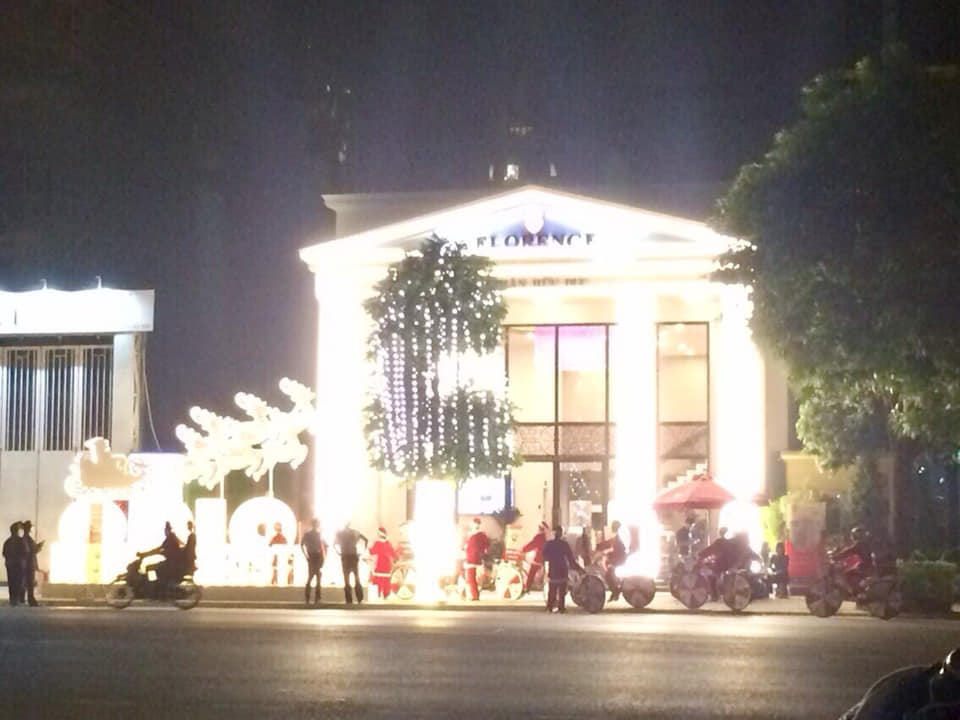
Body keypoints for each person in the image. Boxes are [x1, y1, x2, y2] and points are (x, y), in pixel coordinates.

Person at [542, 526, 583, 613]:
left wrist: (550, 559)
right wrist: (579, 569)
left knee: (552, 589)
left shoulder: (549, 544)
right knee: (562, 590)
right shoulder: (564, 544)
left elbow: (544, 556)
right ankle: (561, 608)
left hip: (553, 568)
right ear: (561, 534)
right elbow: (571, 559)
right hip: (562, 569)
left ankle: (550, 607)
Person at [139, 521, 182, 592]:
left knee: (150, 567)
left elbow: (159, 549)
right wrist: (145, 554)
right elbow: (160, 549)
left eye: (165, 530)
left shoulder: (170, 538)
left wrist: (144, 554)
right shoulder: (172, 537)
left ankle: (154, 588)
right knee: (155, 567)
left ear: (167, 530)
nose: (165, 532)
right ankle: (157, 586)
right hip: (172, 562)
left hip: (171, 563)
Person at [833, 526, 873, 594]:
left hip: (865, 566)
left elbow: (849, 551)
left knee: (847, 573)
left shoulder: (859, 544)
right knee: (854, 569)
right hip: (870, 565)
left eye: (853, 535)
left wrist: (836, 556)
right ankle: (860, 589)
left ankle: (856, 592)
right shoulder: (867, 543)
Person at [335, 521, 368, 604]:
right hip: (353, 556)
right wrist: (363, 551)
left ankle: (349, 599)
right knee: (356, 576)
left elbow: (334, 544)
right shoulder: (355, 532)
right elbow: (366, 539)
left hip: (345, 556)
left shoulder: (340, 533)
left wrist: (339, 553)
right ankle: (359, 598)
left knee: (346, 578)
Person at [596, 520, 627, 601]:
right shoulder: (618, 536)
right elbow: (613, 546)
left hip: (619, 559)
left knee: (608, 575)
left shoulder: (619, 537)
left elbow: (618, 549)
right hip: (618, 558)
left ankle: (615, 591)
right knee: (609, 572)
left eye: (613, 526)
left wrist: (607, 552)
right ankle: (616, 589)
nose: (612, 528)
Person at [300, 518, 326, 606]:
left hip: (314, 556)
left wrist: (306, 555)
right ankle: (314, 598)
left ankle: (313, 598)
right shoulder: (314, 534)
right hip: (314, 556)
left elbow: (302, 545)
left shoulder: (315, 534)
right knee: (313, 576)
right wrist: (306, 555)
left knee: (315, 576)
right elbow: (302, 545)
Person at [367, 527, 397, 600]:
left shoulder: (377, 543)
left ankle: (379, 594)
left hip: (380, 564)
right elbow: (393, 553)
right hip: (386, 565)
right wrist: (396, 559)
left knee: (379, 580)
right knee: (386, 580)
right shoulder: (388, 543)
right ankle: (386, 595)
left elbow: (372, 551)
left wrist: (367, 548)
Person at [463, 517, 490, 601]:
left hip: (472, 558)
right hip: (473, 557)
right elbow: (486, 546)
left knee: (471, 577)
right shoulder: (480, 535)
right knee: (471, 577)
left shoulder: (475, 535)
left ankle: (474, 594)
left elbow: (485, 546)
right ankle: (471, 593)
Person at [520, 522, 548, 594]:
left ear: (540, 529)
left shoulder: (539, 537)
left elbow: (532, 544)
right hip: (544, 558)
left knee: (531, 573)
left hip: (539, 558)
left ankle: (527, 588)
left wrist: (523, 549)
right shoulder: (544, 537)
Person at [20, 520, 43, 606]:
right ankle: (27, 599)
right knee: (28, 582)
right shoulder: (26, 539)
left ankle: (27, 599)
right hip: (28, 564)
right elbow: (29, 551)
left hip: (29, 563)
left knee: (28, 582)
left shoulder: (27, 539)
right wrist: (38, 547)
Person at [3, 522, 24, 607]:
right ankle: (17, 599)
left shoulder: (7, 542)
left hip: (10, 565)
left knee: (11, 582)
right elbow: (25, 552)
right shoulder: (20, 541)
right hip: (18, 565)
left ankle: (13, 599)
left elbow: (4, 553)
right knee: (18, 582)